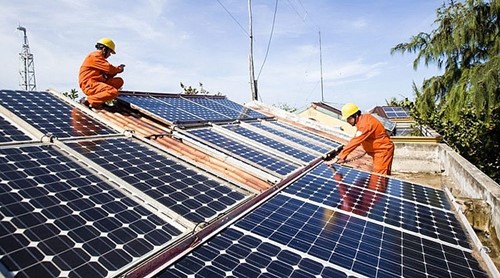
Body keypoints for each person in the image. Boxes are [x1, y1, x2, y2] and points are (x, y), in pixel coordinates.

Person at [333, 103, 395, 175]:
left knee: (378, 177)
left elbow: (355, 141)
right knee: (381, 177)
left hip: (382, 151)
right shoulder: (363, 119)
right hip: (379, 151)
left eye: (349, 118)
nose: (347, 121)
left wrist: (340, 156)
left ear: (356, 116)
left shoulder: (365, 124)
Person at [79, 37, 125, 109]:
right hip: (89, 84)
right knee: (113, 92)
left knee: (119, 81)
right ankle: (87, 100)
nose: (110, 55)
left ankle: (99, 101)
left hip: (97, 82)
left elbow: (109, 73)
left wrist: (116, 71)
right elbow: (109, 69)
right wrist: (119, 69)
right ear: (104, 49)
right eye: (110, 52)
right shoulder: (95, 56)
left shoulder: (100, 59)